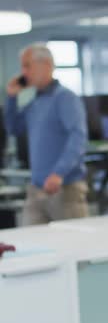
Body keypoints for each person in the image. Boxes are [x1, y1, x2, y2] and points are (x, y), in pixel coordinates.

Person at [4, 42, 89, 225]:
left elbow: (78, 138)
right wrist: (11, 98)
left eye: (28, 66)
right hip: (36, 189)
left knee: (73, 247)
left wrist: (59, 172)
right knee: (31, 243)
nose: (23, 72)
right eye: (22, 67)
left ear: (47, 65)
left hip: (65, 188)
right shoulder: (35, 100)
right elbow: (13, 128)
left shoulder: (65, 98)